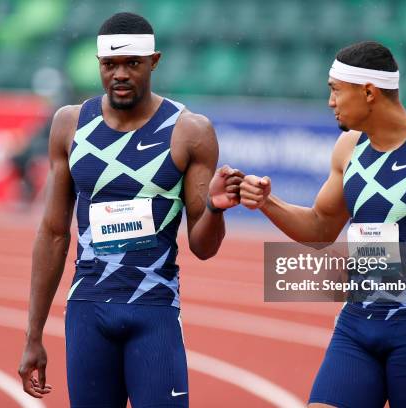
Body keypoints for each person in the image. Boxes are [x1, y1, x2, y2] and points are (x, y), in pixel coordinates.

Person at [240, 41, 406, 407]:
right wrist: (266, 203)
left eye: (336, 91)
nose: (330, 102)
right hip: (356, 324)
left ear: (369, 92)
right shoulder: (348, 148)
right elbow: (321, 227)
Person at [18, 12, 243, 408]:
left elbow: (204, 247)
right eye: (110, 65)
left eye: (132, 64)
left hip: (154, 311)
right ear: (99, 64)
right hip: (88, 311)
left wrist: (215, 208)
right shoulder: (70, 125)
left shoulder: (189, 131)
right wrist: (33, 335)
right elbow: (53, 233)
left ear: (154, 61)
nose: (120, 74)